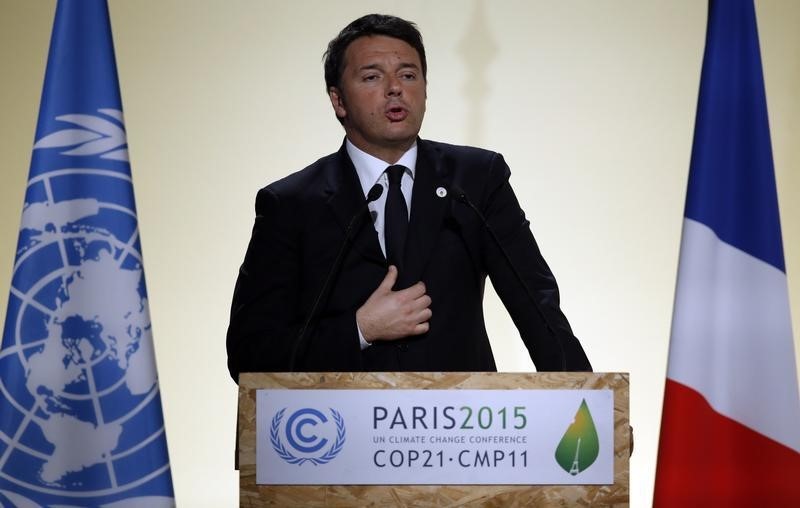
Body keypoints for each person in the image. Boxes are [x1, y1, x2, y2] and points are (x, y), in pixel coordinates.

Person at [226, 14, 591, 382]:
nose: (395, 89)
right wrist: (360, 329)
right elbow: (249, 354)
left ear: (425, 89)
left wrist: (587, 401)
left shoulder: (476, 181)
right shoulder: (291, 204)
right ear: (338, 100)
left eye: (408, 75)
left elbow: (537, 307)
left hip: (458, 430)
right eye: (372, 77)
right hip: (341, 432)